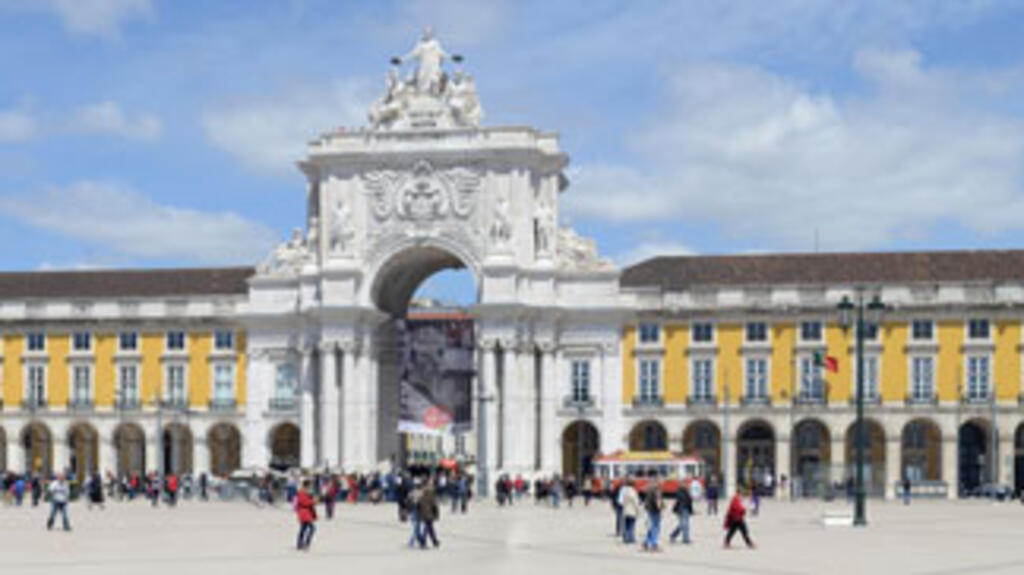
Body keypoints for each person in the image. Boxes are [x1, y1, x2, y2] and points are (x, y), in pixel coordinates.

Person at [294, 479, 317, 551]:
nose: (311, 486)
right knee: (312, 528)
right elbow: (305, 502)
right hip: (304, 513)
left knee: (303, 528)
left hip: (306, 513)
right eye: (310, 485)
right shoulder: (302, 492)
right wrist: (313, 501)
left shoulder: (306, 492)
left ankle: (300, 544)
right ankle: (305, 543)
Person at [417, 481, 440, 549]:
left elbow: (418, 505)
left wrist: (419, 513)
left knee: (430, 528)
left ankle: (435, 541)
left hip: (423, 514)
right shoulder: (431, 497)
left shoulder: (422, 497)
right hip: (429, 515)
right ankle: (423, 542)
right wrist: (437, 515)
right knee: (427, 529)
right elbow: (435, 506)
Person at [642, 481, 664, 552]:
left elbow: (646, 502)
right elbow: (658, 502)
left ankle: (646, 542)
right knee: (655, 528)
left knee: (651, 527)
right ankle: (654, 545)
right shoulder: (657, 491)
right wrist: (660, 510)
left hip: (650, 511)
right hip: (655, 511)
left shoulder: (649, 491)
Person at [619, 479, 640, 545]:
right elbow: (636, 502)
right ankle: (631, 538)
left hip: (626, 510)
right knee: (632, 525)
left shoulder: (625, 491)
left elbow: (621, 501)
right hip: (632, 510)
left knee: (627, 524)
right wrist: (638, 510)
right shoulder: (633, 492)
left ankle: (626, 538)